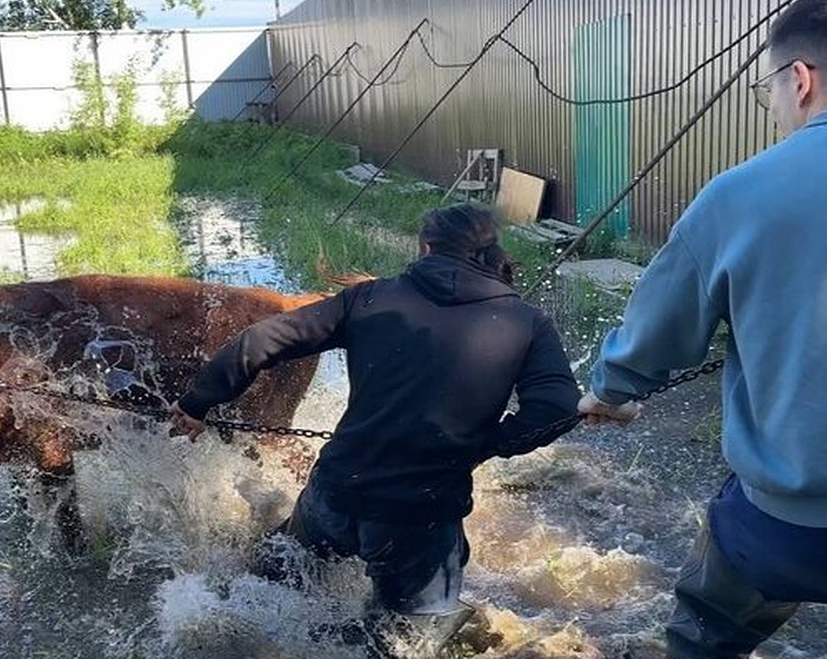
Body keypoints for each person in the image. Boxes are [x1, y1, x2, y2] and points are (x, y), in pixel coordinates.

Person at [576, 0, 827, 656]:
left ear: (799, 80)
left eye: (768, 91)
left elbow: (654, 336)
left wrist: (612, 392)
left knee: (706, 621)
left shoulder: (738, 194)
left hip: (794, 533)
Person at [170, 202, 580, 647]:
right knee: (405, 640)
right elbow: (557, 409)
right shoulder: (526, 322)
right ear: (492, 251)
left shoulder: (369, 298)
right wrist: (481, 444)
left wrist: (196, 403)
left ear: (425, 247)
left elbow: (258, 340)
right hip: (420, 515)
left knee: (271, 578)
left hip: (334, 493)